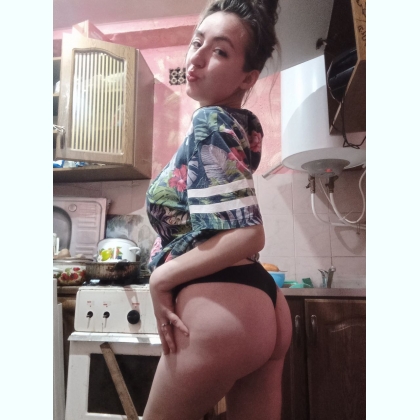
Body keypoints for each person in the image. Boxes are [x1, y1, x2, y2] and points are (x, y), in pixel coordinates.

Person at [143, 1, 292, 419]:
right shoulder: (233, 124)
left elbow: (248, 234)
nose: (197, 57)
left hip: (219, 304)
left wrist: (160, 277)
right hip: (261, 303)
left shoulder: (209, 122)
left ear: (248, 77)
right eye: (197, 43)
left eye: (220, 51)